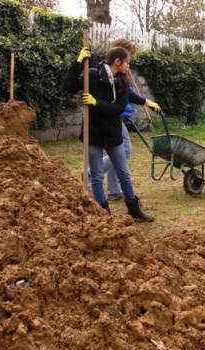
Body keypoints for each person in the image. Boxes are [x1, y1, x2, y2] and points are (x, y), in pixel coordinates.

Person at [63, 46, 154, 222]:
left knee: (124, 173)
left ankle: (134, 210)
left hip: (113, 133)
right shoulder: (92, 75)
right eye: (127, 61)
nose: (129, 65)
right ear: (117, 61)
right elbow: (68, 85)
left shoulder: (123, 82)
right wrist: (78, 62)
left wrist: (96, 102)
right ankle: (104, 213)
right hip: (93, 131)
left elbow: (118, 109)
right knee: (96, 175)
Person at [102, 38, 161, 201]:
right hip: (112, 117)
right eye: (130, 56)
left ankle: (114, 190)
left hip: (118, 116)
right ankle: (92, 172)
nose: (131, 60)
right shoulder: (111, 71)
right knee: (124, 150)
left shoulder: (119, 70)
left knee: (119, 152)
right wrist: (146, 102)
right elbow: (126, 94)